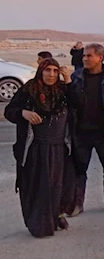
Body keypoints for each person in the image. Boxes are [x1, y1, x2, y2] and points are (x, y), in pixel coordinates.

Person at [4, 58, 76, 237]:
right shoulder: (29, 89)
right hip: (35, 149)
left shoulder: (63, 90)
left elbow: (79, 104)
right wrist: (23, 113)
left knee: (58, 187)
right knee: (38, 187)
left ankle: (56, 216)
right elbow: (9, 111)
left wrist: (68, 81)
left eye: (54, 70)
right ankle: (41, 225)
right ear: (41, 71)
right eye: (47, 70)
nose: (51, 74)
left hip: (60, 149)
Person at [69, 43, 104, 215]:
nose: (84, 58)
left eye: (89, 56)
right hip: (80, 132)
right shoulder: (76, 77)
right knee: (79, 170)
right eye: (84, 56)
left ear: (100, 57)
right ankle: (78, 204)